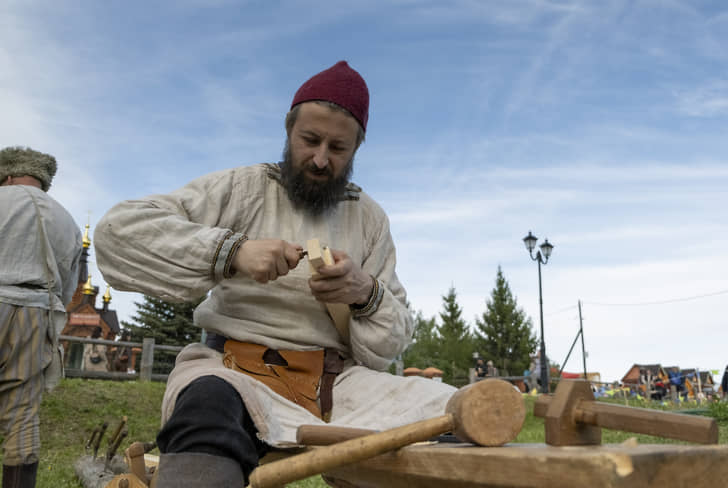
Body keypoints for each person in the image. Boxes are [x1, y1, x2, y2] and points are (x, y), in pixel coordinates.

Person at [94, 61, 458, 487]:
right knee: (207, 407)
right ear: (289, 132)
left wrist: (366, 292)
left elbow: (388, 346)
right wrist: (232, 252)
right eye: (310, 140)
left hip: (338, 388)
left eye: (338, 148)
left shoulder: (370, 219)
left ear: (357, 149)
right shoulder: (243, 189)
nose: (321, 159)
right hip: (234, 373)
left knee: (460, 412)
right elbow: (116, 232)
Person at [0, 146, 82, 488]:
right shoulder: (66, 219)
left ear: (5, 175)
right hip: (36, 312)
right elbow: (68, 288)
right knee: (21, 414)